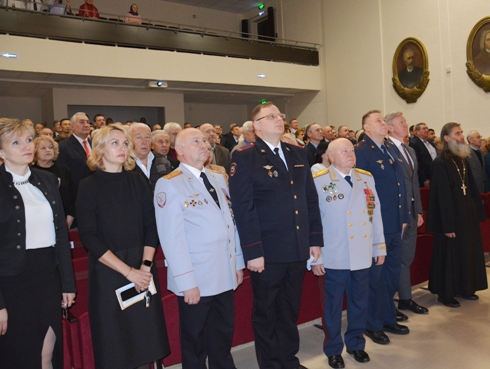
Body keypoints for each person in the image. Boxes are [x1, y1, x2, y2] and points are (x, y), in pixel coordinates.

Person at [230, 102, 323, 369]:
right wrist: (253, 250)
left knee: (289, 309)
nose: (278, 119)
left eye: (279, 115)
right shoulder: (245, 157)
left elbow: (309, 198)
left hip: (296, 247)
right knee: (266, 312)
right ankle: (270, 364)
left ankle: (288, 360)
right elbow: (243, 208)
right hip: (267, 251)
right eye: (270, 116)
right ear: (256, 125)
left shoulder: (297, 152)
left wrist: (314, 239)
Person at [76, 124, 170, 368]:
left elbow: (151, 226)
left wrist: (145, 268)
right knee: (117, 347)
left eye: (125, 143)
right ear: (99, 149)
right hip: (109, 271)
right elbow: (89, 238)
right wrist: (129, 272)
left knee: (147, 342)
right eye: (114, 143)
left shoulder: (137, 181)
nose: (122, 148)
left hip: (142, 267)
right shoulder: (88, 186)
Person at [154, 128, 244, 368]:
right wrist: (186, 282)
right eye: (196, 141)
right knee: (194, 339)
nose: (204, 144)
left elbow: (230, 223)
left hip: (224, 270)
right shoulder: (169, 184)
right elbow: (171, 239)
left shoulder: (217, 178)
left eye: (205, 140)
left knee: (222, 332)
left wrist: (237, 262)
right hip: (196, 276)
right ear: (180, 150)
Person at [0, 118, 75, 368]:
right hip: (11, 283)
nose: (27, 146)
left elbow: (61, 236)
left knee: (47, 351)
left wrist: (67, 283)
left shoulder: (47, 180)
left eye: (29, 140)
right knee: (19, 355)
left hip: (47, 278)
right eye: (16, 142)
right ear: (1, 152)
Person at [311, 138, 386, 368]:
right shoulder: (319, 181)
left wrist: (379, 245)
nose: (350, 154)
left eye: (352, 150)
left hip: (362, 253)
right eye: (344, 151)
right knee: (332, 307)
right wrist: (316, 257)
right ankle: (333, 349)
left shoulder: (366, 178)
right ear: (331, 157)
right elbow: (313, 222)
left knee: (359, 302)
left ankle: (355, 343)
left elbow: (376, 214)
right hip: (335, 254)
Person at [355, 110, 409, 345]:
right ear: (366, 128)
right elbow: (361, 192)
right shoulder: (362, 152)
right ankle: (372, 323)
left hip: (396, 222)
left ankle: (387, 317)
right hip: (377, 225)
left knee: (391, 275)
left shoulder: (390, 149)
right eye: (377, 121)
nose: (382, 124)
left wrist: (405, 214)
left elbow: (401, 186)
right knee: (375, 278)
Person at [427, 122, 488, 307]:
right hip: (451, 217)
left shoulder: (462, 159)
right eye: (457, 134)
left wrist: (477, 211)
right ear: (446, 138)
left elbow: (470, 188)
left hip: (466, 215)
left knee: (466, 252)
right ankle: (446, 294)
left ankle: (465, 287)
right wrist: (448, 225)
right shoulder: (440, 162)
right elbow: (442, 197)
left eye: (461, 133)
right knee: (450, 255)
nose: (461, 137)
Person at [385, 112, 428, 319]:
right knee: (393, 259)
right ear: (390, 128)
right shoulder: (386, 149)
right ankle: (388, 302)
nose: (405, 125)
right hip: (396, 214)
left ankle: (405, 297)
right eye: (401, 123)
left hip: (411, 212)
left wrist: (418, 209)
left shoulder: (409, 149)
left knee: (406, 258)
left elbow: (414, 182)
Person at [32, 135, 78, 230]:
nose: (48, 150)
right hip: (38, 222)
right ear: (35, 151)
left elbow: (74, 195)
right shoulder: (30, 172)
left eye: (51, 147)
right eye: (43, 148)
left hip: (66, 218)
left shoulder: (64, 170)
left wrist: (70, 216)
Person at [131, 123, 173, 191]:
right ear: (129, 141)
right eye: (139, 138)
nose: (144, 142)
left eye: (147, 137)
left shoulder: (162, 160)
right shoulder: (126, 164)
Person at [57, 112, 93, 188]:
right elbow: (64, 176)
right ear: (72, 126)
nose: (86, 125)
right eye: (81, 122)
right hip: (76, 192)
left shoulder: (95, 145)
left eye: (87, 122)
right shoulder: (63, 146)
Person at [410, 122, 437, 187]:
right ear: (417, 132)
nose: (426, 130)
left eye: (427, 128)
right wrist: (424, 179)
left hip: (434, 175)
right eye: (424, 128)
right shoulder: (414, 144)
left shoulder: (431, 143)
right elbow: (417, 162)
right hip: (425, 178)